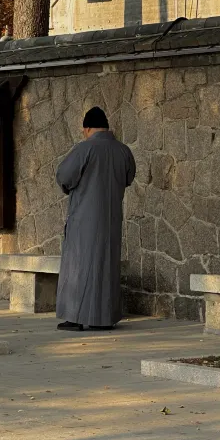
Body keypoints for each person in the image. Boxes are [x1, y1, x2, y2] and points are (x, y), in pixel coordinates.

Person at [55, 106, 136, 331]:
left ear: (88, 128)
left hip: (84, 218)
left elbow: (64, 177)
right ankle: (103, 317)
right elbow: (129, 178)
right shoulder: (123, 151)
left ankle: (76, 316)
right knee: (106, 266)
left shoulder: (85, 149)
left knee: (79, 265)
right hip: (111, 219)